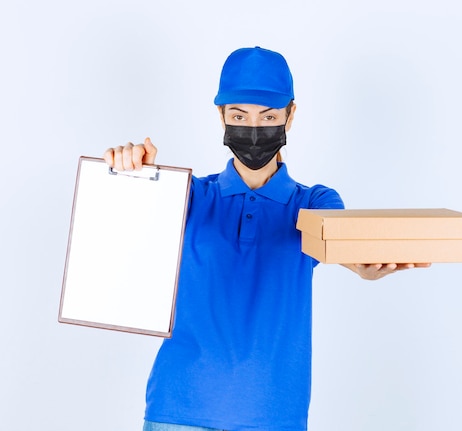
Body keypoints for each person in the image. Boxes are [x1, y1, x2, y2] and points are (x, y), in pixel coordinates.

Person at [104, 47, 430, 431]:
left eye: (269, 116)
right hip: (178, 411)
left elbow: (338, 240)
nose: (254, 129)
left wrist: (364, 265)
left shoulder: (313, 201)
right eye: (239, 115)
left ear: (290, 116)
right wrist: (132, 174)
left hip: (274, 417)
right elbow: (119, 237)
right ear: (221, 116)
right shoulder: (188, 195)